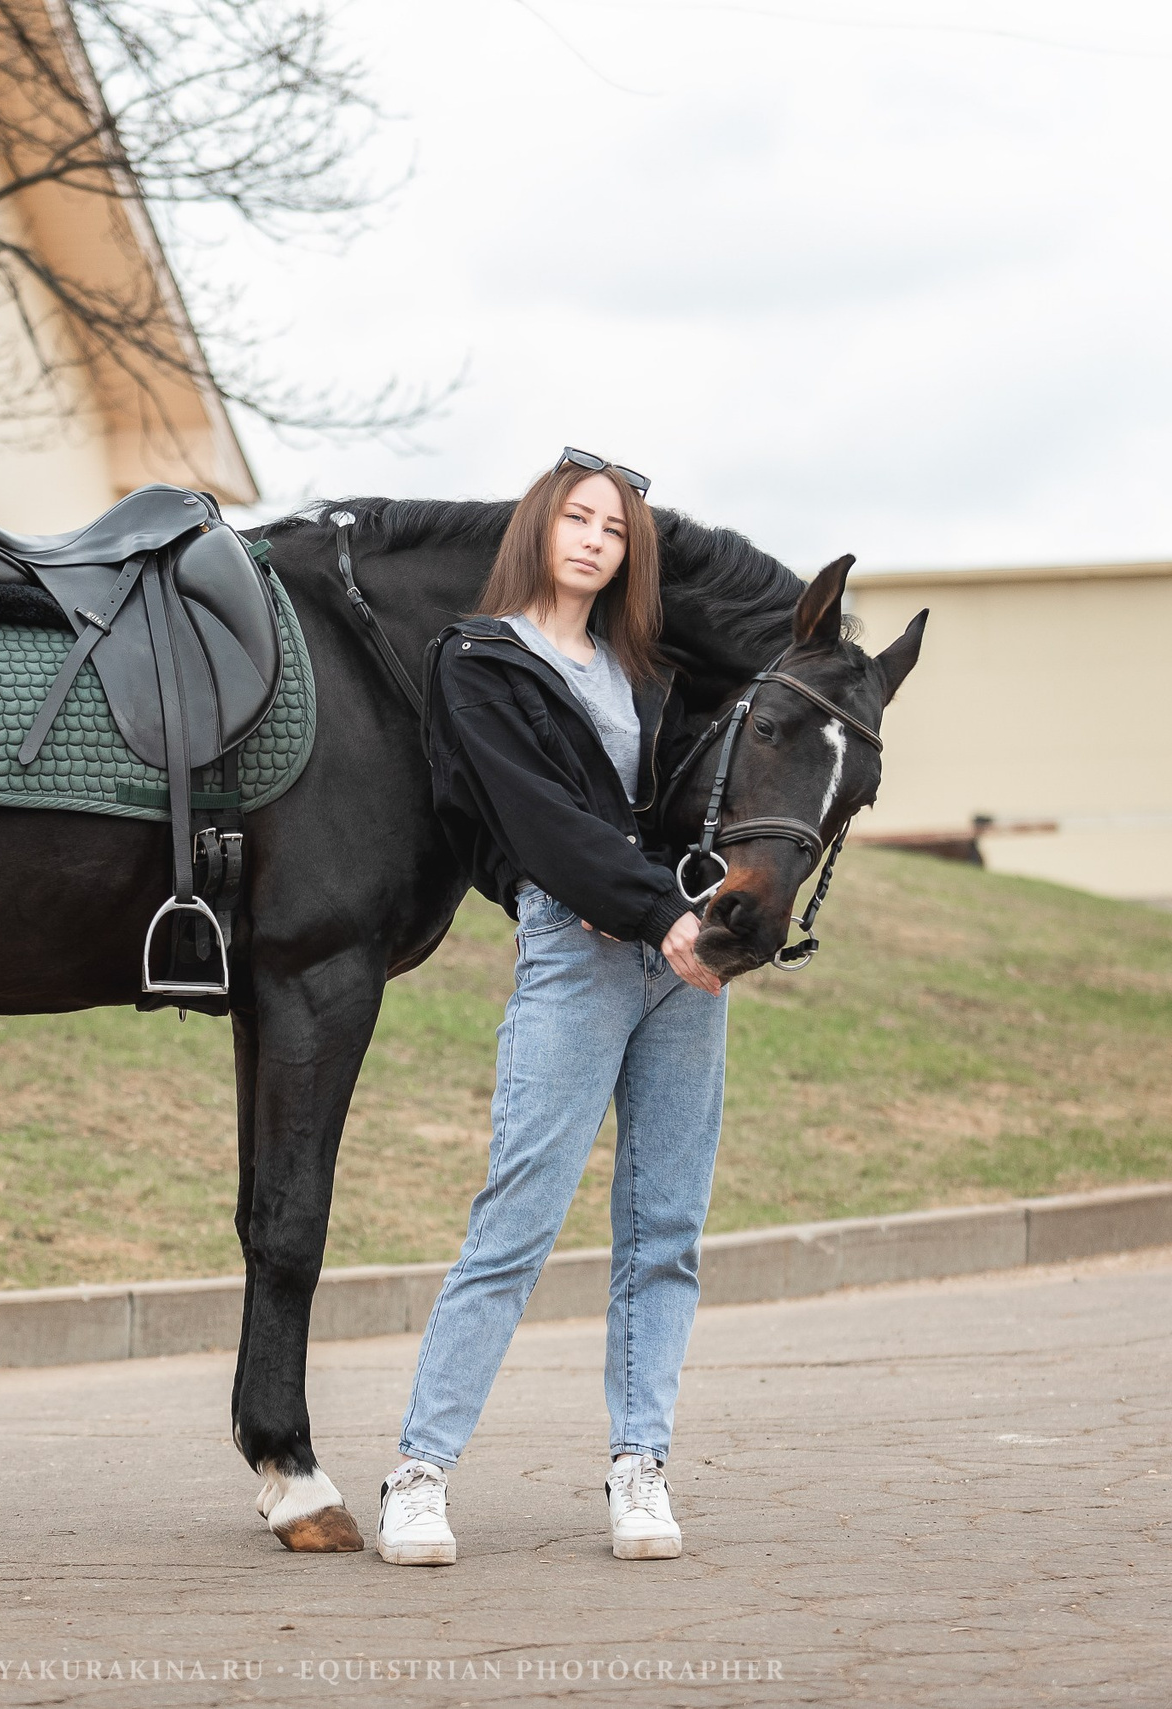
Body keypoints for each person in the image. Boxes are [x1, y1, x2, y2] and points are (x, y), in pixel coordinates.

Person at [379, 448, 732, 1568]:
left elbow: (689, 801)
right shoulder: (479, 659)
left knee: (664, 1228)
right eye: (576, 518)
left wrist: (704, 915)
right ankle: (419, 1474)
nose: (592, 539)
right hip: (580, 957)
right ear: (537, 527)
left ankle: (640, 1467)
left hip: (678, 965)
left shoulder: (648, 670)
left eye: (614, 529)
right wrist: (637, 906)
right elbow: (528, 816)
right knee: (515, 1224)